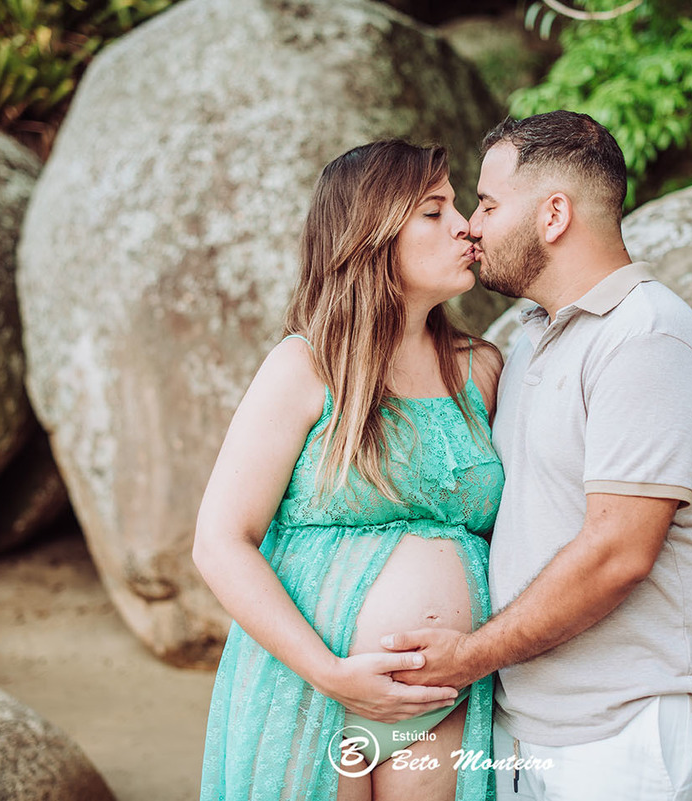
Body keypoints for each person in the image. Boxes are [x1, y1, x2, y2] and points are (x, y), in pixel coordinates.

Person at [383, 111, 692, 800]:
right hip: (534, 729)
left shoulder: (646, 335)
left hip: (626, 730)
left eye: (487, 204)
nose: (471, 226)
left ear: (553, 215)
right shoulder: (530, 338)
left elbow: (618, 551)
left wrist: (468, 657)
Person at [194, 140, 504, 801]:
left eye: (459, 206)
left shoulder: (484, 369)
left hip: (443, 705)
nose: (465, 224)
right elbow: (220, 540)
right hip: (308, 692)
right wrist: (330, 671)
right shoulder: (304, 367)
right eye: (435, 211)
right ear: (374, 232)